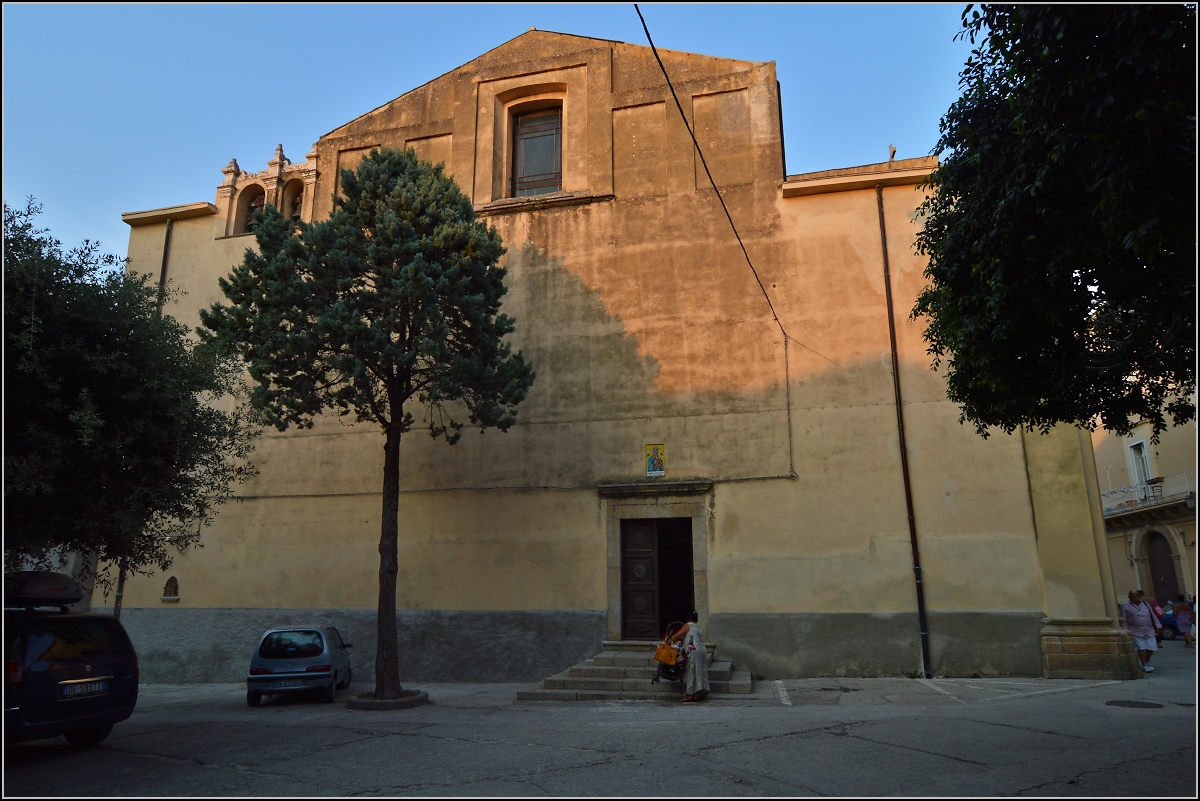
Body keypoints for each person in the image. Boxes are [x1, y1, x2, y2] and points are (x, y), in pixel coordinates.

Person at [667, 611, 709, 702]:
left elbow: (677, 635)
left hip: (693, 650)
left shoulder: (688, 625)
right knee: (699, 671)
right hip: (702, 650)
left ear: (688, 619)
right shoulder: (698, 627)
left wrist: (668, 640)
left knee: (691, 671)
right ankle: (698, 693)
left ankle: (690, 694)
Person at [1119, 589, 1162, 672]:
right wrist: (1125, 630)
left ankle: (1146, 660)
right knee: (1141, 648)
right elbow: (1123, 619)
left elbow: (1152, 615)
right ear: (1129, 597)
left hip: (1149, 630)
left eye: (1137, 596)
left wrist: (1158, 626)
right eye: (1133, 596)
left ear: (1140, 596)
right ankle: (1145, 665)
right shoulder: (1124, 606)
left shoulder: (1145, 604)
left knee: (1151, 647)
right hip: (1135, 630)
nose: (1135, 598)